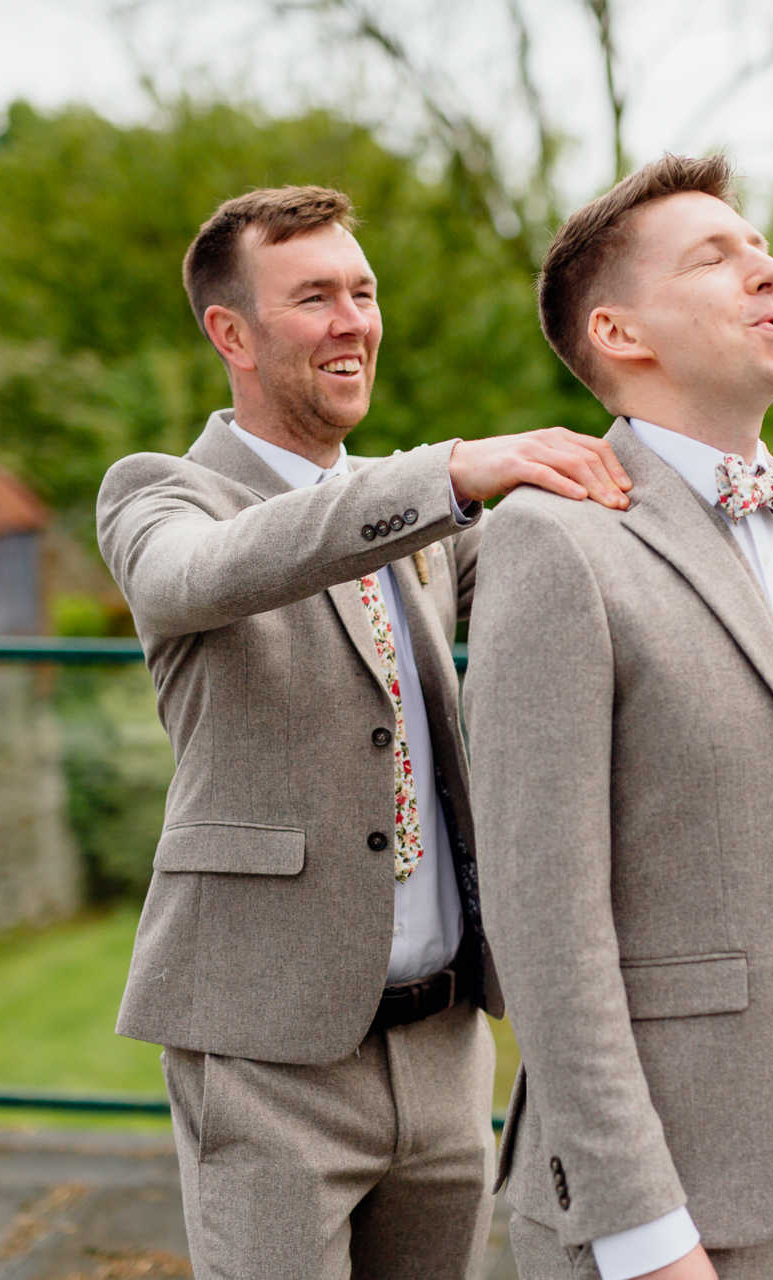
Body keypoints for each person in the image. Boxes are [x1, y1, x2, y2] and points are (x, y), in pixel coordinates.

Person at [96, 185, 632, 1280]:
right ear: (230, 333)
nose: (353, 321)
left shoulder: (419, 520)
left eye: (363, 291)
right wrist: (442, 471)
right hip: (267, 1051)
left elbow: (574, 572)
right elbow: (198, 576)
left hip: (445, 1049)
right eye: (314, 298)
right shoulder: (163, 496)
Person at [463, 155, 773, 1280]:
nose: (767, 266)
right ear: (620, 332)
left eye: (762, 246)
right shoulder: (555, 543)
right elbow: (545, 920)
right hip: (657, 1212)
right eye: (716, 256)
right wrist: (641, 1223)